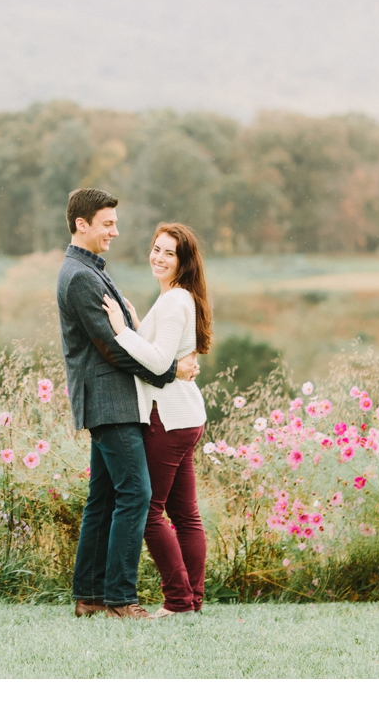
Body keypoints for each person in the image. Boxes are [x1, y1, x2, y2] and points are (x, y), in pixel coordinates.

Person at [57, 188, 199, 621]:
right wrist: (171, 371)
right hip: (111, 401)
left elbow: (122, 337)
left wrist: (135, 327)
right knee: (136, 494)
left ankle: (90, 596)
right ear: (82, 224)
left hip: (113, 400)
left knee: (102, 499)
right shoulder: (80, 276)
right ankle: (120, 599)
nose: (116, 231)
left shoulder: (88, 270)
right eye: (108, 224)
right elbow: (111, 350)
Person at [100, 222, 212, 616]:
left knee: (148, 512)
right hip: (185, 416)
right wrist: (133, 319)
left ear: (183, 262)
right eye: (156, 249)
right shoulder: (174, 299)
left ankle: (179, 601)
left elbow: (158, 361)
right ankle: (191, 600)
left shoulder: (174, 301)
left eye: (169, 253)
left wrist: (119, 330)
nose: (159, 258)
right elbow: (161, 349)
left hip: (168, 418)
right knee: (184, 515)